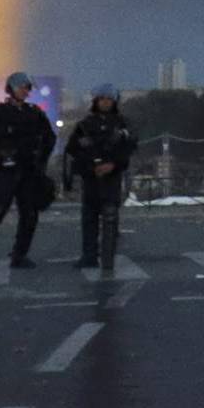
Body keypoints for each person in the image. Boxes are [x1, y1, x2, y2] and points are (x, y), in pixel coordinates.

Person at [0, 73, 57, 271]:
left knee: (29, 215)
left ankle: (19, 255)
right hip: (7, 172)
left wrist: (41, 158)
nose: (24, 91)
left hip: (29, 171)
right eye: (21, 87)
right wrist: (7, 141)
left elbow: (49, 137)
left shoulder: (34, 113)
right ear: (11, 88)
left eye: (26, 87)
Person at [63, 89, 138, 273]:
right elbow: (73, 149)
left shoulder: (122, 124)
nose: (105, 102)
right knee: (89, 217)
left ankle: (108, 258)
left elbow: (129, 148)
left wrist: (113, 164)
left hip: (112, 176)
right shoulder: (84, 125)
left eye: (109, 99)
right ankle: (89, 256)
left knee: (110, 216)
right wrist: (91, 166)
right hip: (91, 177)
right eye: (102, 99)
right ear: (96, 101)